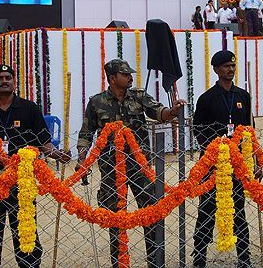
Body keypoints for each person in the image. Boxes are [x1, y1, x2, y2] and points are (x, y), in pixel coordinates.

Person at [76, 59, 185, 268]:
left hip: (139, 166)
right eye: (125, 74)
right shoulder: (97, 102)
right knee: (116, 218)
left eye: (129, 74)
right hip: (111, 168)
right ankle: (120, 263)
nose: (130, 77)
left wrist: (172, 111)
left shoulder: (139, 96)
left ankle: (155, 262)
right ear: (112, 78)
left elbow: (159, 112)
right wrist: (82, 159)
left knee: (150, 213)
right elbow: (86, 134)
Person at [0, 64, 71, 268]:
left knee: (26, 232)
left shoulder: (30, 109)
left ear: (14, 82)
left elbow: (44, 142)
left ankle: (30, 265)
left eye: (8, 77)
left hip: (22, 183)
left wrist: (57, 154)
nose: (4, 81)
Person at [192, 50, 259, 268]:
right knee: (206, 212)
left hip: (238, 166)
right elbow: (198, 131)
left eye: (233, 66)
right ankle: (199, 258)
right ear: (216, 69)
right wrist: (215, 153)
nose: (231, 69)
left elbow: (250, 132)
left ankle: (244, 259)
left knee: (238, 211)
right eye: (226, 66)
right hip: (212, 167)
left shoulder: (243, 97)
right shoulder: (206, 99)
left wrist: (256, 162)